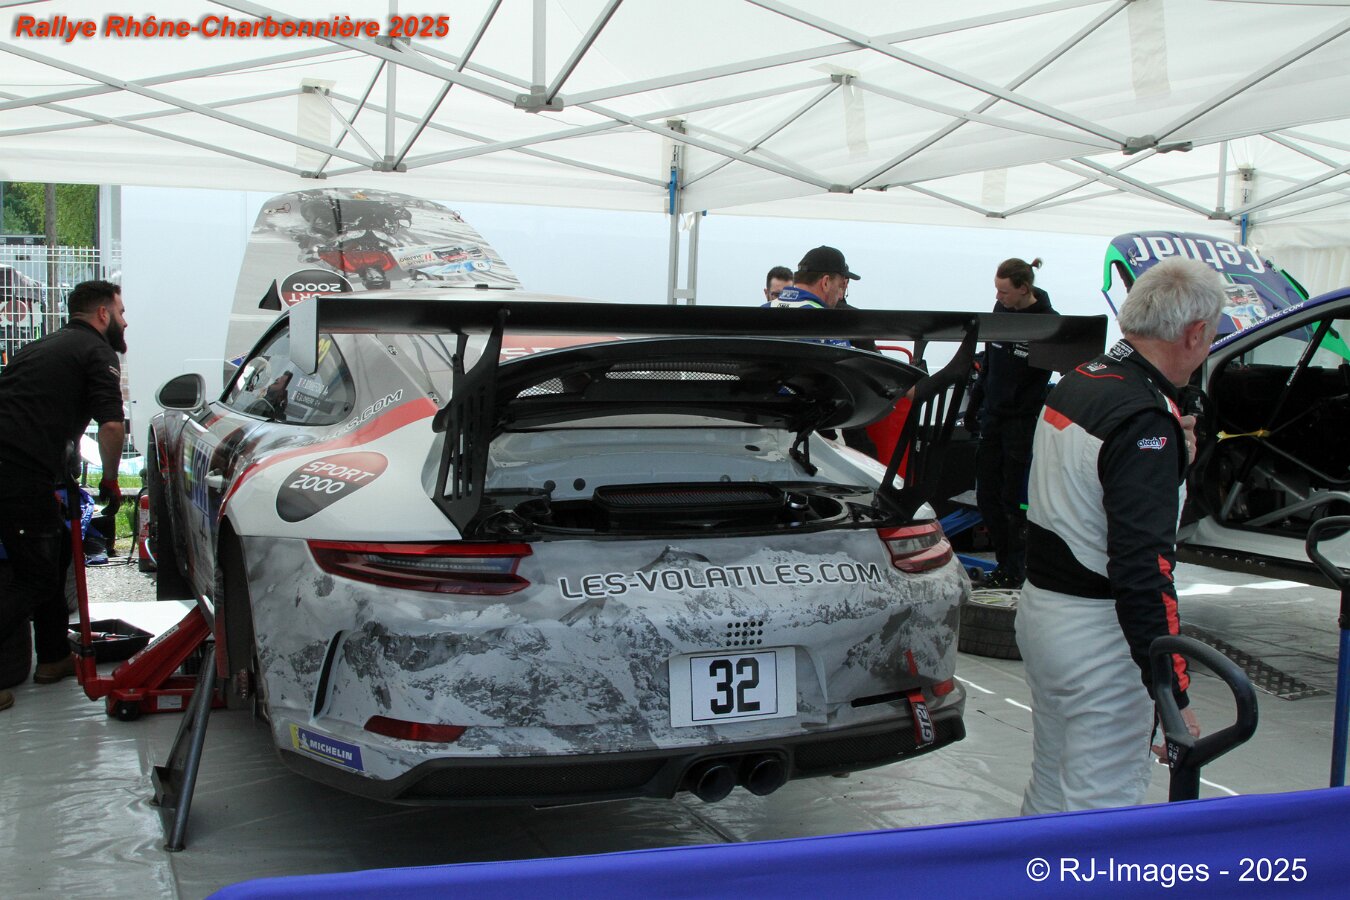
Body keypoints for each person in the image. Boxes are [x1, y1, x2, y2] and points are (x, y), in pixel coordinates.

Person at [1017, 257, 1223, 814]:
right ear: (1195, 334)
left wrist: (1166, 461)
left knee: (1050, 789)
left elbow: (1085, 481)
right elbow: (1143, 568)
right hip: (1098, 637)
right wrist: (1172, 690)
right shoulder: (1143, 417)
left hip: (1045, 613)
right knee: (1102, 809)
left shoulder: (1083, 379)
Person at [0, 280, 127, 713]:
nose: (125, 322)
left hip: (23, 470)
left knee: (53, 558)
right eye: (121, 312)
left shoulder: (43, 347)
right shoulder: (96, 352)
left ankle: (54, 656)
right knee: (34, 575)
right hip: (14, 471)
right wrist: (111, 479)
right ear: (103, 314)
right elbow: (112, 426)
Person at [967, 257, 1057, 589]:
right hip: (993, 416)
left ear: (1023, 288)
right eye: (997, 290)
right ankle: (1004, 563)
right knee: (987, 496)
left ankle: (1017, 567)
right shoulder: (1000, 311)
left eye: (1004, 291)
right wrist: (975, 406)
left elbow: (1049, 373)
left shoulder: (1048, 321)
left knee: (1013, 499)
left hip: (1021, 421)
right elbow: (989, 364)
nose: (999, 297)